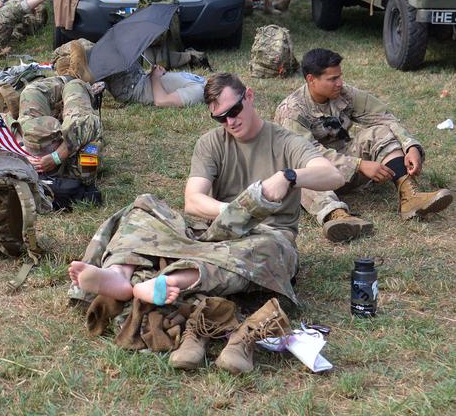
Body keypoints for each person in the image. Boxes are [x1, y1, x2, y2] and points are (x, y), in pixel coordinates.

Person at [68, 72, 345, 373]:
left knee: (264, 250)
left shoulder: (285, 141)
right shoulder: (211, 143)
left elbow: (332, 175)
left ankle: (168, 282)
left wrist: (290, 177)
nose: (230, 122)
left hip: (267, 236)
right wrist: (239, 210)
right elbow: (194, 201)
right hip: (214, 232)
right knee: (143, 207)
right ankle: (119, 275)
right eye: (221, 118)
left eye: (234, 111)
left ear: (249, 96)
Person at [274, 48, 453, 242]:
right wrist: (359, 164)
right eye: (332, 79)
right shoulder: (292, 111)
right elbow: (308, 155)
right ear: (311, 79)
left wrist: (410, 146)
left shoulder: (344, 93)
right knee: (299, 172)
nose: (339, 83)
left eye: (340, 77)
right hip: (313, 171)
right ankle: (338, 217)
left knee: (380, 132)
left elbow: (384, 118)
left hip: (344, 167)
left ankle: (410, 195)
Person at [57, 39, 205, 108]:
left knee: (103, 54)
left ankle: (74, 72)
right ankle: (71, 63)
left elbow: (161, 101)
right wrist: (156, 73)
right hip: (140, 77)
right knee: (108, 47)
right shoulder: (202, 82)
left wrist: (155, 77)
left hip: (132, 89)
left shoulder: (199, 92)